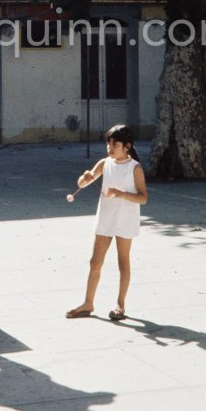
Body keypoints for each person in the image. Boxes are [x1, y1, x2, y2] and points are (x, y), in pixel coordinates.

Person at [66, 124, 147, 321]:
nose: (110, 148)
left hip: (125, 219)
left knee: (123, 261)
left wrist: (120, 194)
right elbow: (82, 184)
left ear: (127, 146)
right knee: (95, 261)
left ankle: (120, 305)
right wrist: (84, 178)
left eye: (115, 144)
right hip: (106, 217)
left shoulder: (134, 168)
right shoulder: (105, 163)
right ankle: (88, 303)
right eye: (108, 144)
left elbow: (143, 197)